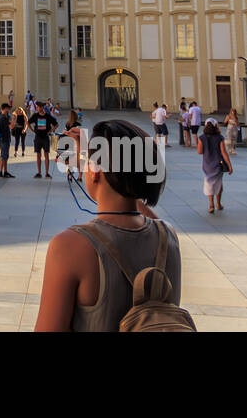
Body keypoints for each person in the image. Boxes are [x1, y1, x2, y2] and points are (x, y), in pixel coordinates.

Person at [34, 120, 183, 332]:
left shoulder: (70, 247)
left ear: (95, 171)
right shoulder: (168, 237)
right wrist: (106, 168)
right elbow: (146, 214)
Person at [196, 119, 232, 213]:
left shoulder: (202, 137)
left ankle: (211, 205)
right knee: (219, 183)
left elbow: (199, 152)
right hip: (218, 164)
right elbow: (223, 152)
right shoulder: (219, 137)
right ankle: (218, 204)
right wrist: (229, 165)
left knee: (209, 183)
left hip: (207, 164)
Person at [31, 101, 58, 179]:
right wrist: (32, 130)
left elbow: (56, 124)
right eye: (36, 107)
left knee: (46, 155)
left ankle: (46, 173)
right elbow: (28, 122)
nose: (36, 108)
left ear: (42, 107)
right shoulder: (35, 115)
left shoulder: (48, 116)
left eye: (37, 107)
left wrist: (50, 131)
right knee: (38, 155)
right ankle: (39, 172)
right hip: (37, 137)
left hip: (45, 138)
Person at [0, 102, 15, 178]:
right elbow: (11, 127)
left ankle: (2, 172)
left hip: (2, 138)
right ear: (5, 108)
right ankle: (4, 172)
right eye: (8, 108)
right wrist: (14, 118)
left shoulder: (0, 116)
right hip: (5, 138)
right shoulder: (4, 117)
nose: (9, 110)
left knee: (3, 155)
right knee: (4, 156)